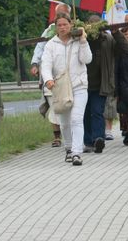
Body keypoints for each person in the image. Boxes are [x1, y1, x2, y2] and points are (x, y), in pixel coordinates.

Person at [41, 12, 92, 166]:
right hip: (60, 87)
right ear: (56, 28)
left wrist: (83, 41)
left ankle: (77, 153)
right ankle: (69, 148)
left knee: (76, 118)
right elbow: (46, 64)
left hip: (79, 85)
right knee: (64, 122)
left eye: (65, 24)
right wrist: (48, 79)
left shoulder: (78, 41)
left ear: (71, 25)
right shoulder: (51, 44)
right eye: (59, 25)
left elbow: (87, 59)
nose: (63, 27)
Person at [83, 15, 128, 153]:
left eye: (97, 25)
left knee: (97, 112)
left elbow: (126, 48)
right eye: (91, 25)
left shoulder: (108, 39)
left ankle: (99, 139)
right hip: (82, 84)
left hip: (101, 84)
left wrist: (116, 33)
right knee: (85, 114)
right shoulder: (81, 39)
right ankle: (88, 141)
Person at [30, 3, 71, 148]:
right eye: (57, 14)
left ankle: (72, 136)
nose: (59, 18)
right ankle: (57, 136)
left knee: (70, 107)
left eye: (63, 14)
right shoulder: (48, 32)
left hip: (70, 77)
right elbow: (39, 48)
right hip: (51, 77)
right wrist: (35, 64)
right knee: (54, 106)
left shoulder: (76, 30)